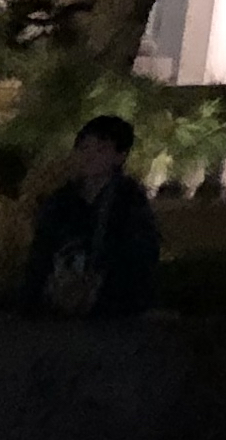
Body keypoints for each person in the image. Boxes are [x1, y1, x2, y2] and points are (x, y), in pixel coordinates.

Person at [20, 113, 161, 321]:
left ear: (120, 156)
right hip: (57, 310)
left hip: (112, 314)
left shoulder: (129, 202)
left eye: (101, 149)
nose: (89, 156)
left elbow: (138, 260)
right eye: (84, 148)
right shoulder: (60, 201)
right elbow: (40, 254)